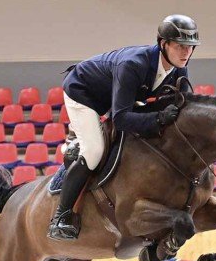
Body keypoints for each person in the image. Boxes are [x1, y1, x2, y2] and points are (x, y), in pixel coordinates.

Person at [48, 14, 201, 240]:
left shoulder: (179, 69)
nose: (186, 53)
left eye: (190, 47)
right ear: (163, 44)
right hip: (83, 94)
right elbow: (120, 119)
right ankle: (61, 216)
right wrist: (158, 118)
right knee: (94, 151)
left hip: (118, 98)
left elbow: (182, 108)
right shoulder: (134, 64)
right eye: (180, 46)